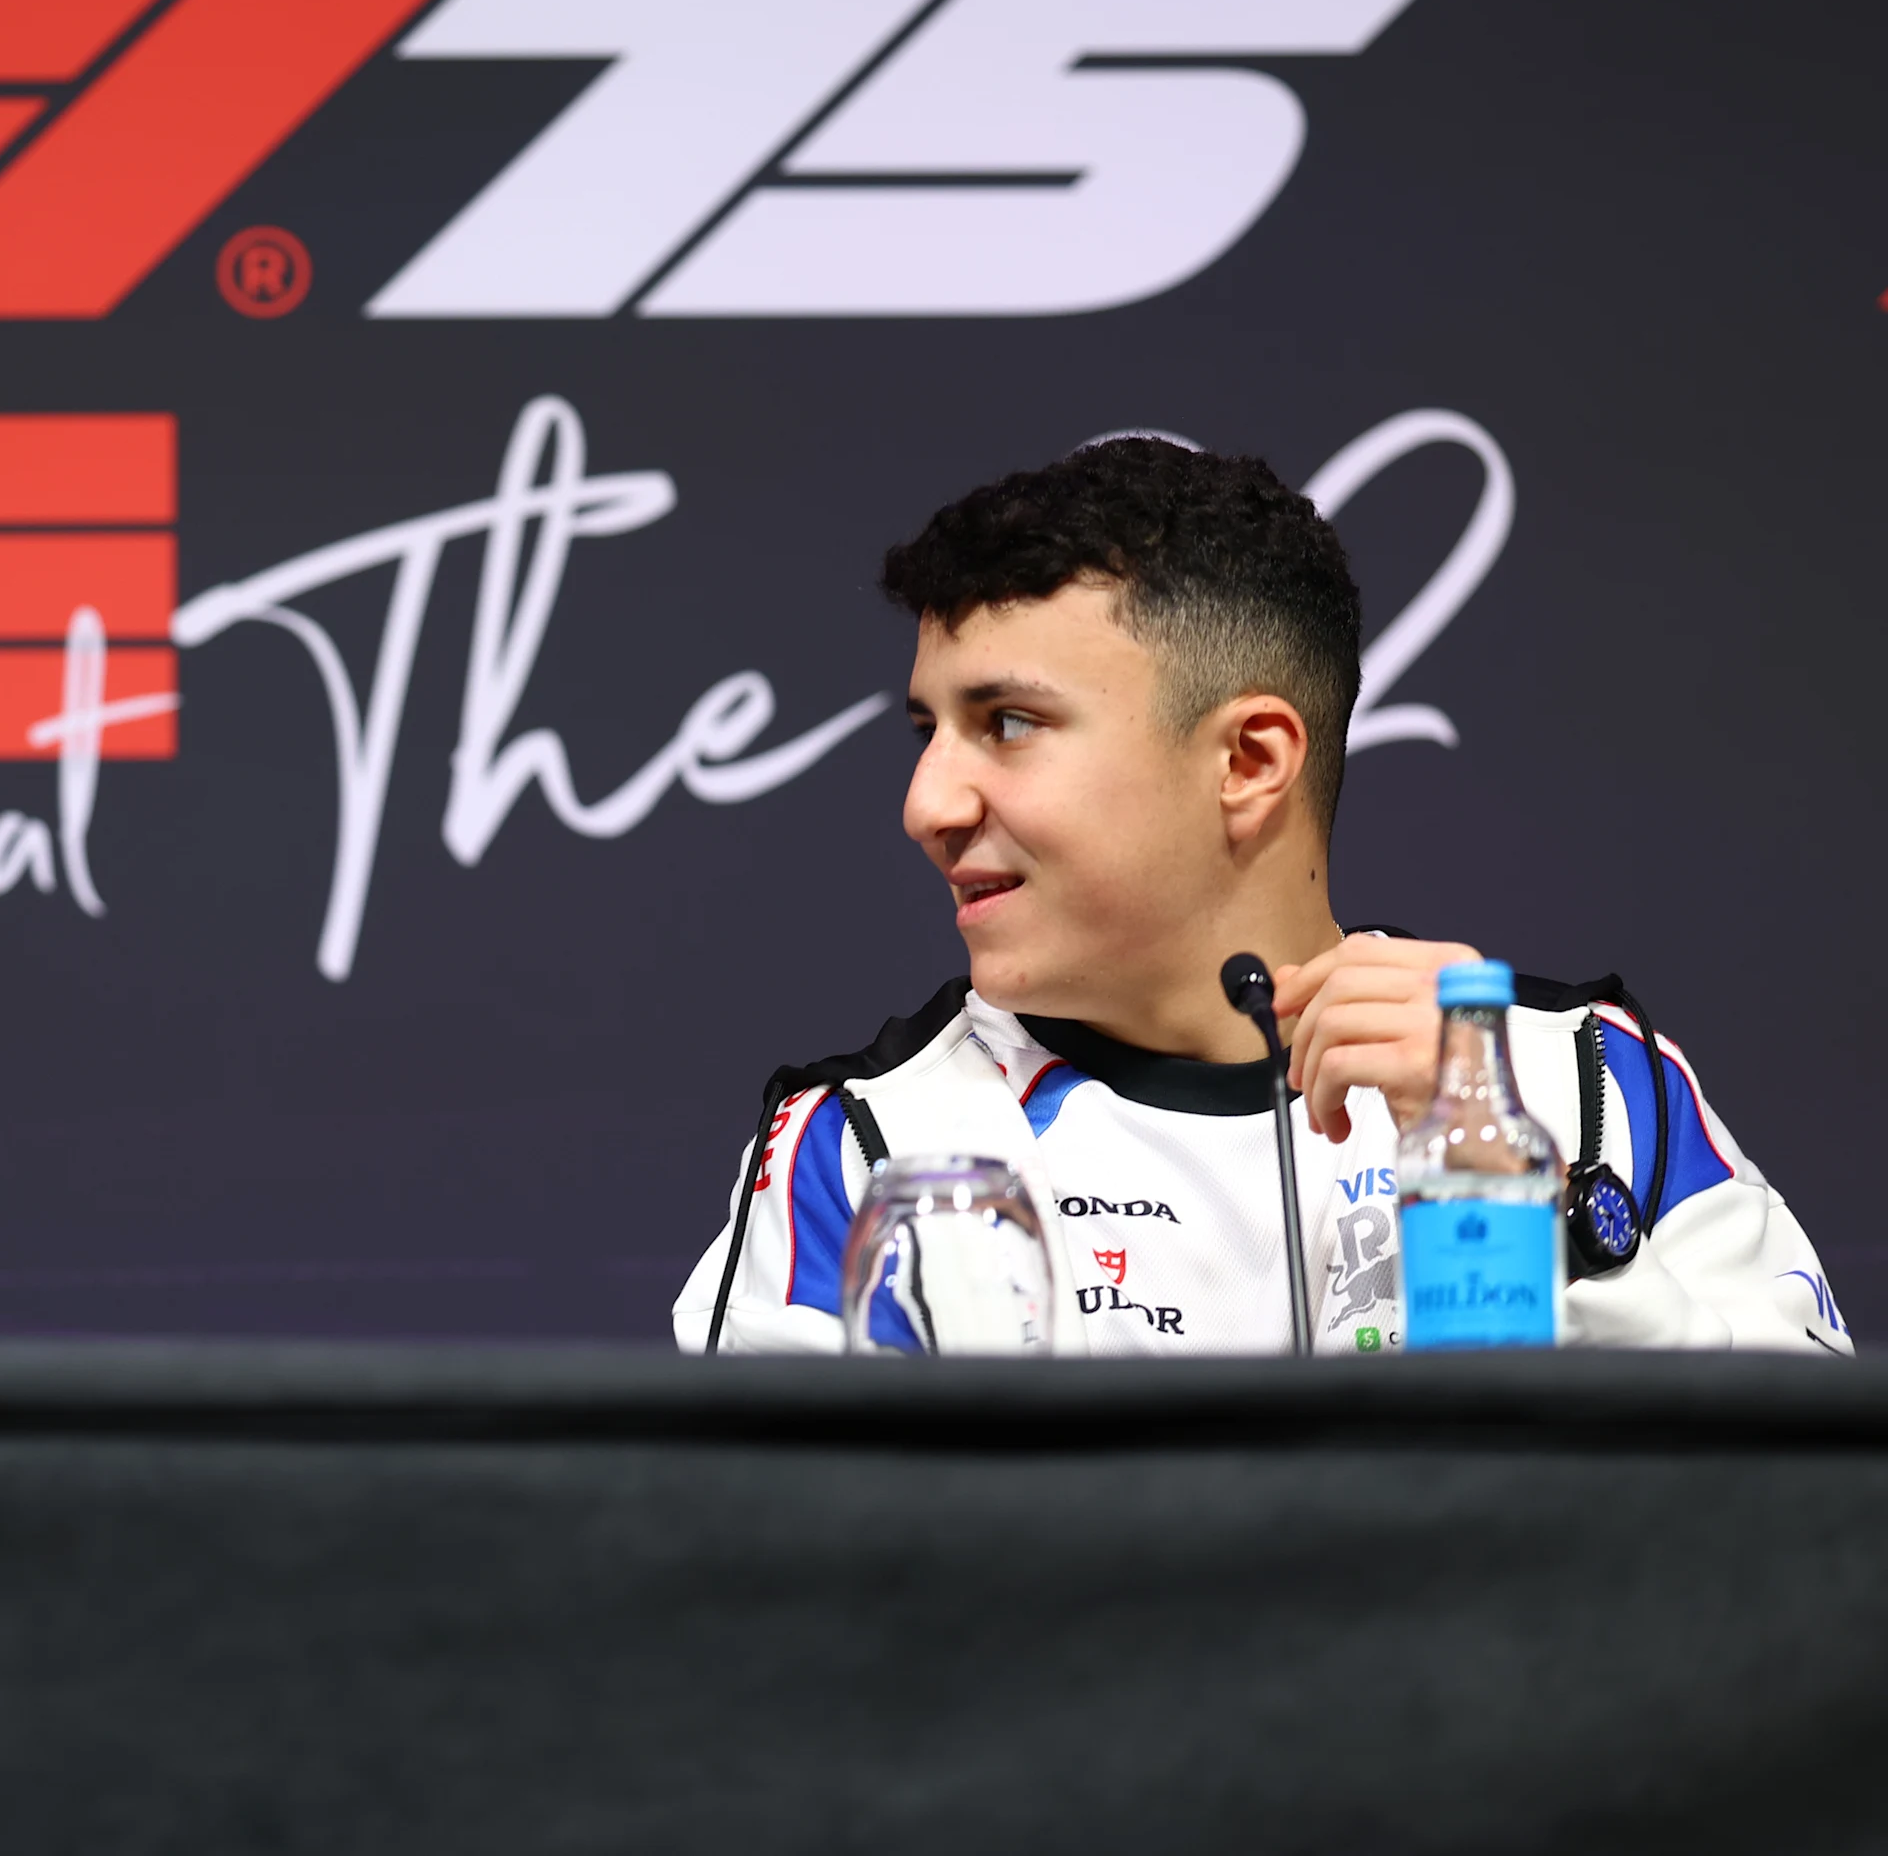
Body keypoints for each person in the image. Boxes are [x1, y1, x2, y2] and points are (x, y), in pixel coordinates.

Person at [674, 440, 1845, 1357]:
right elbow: (750, 1585)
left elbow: (1806, 1519)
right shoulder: (863, 1145)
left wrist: (1507, 1204)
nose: (925, 803)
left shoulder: (1587, 1082)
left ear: (1246, 760)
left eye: (1008, 724)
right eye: (929, 730)